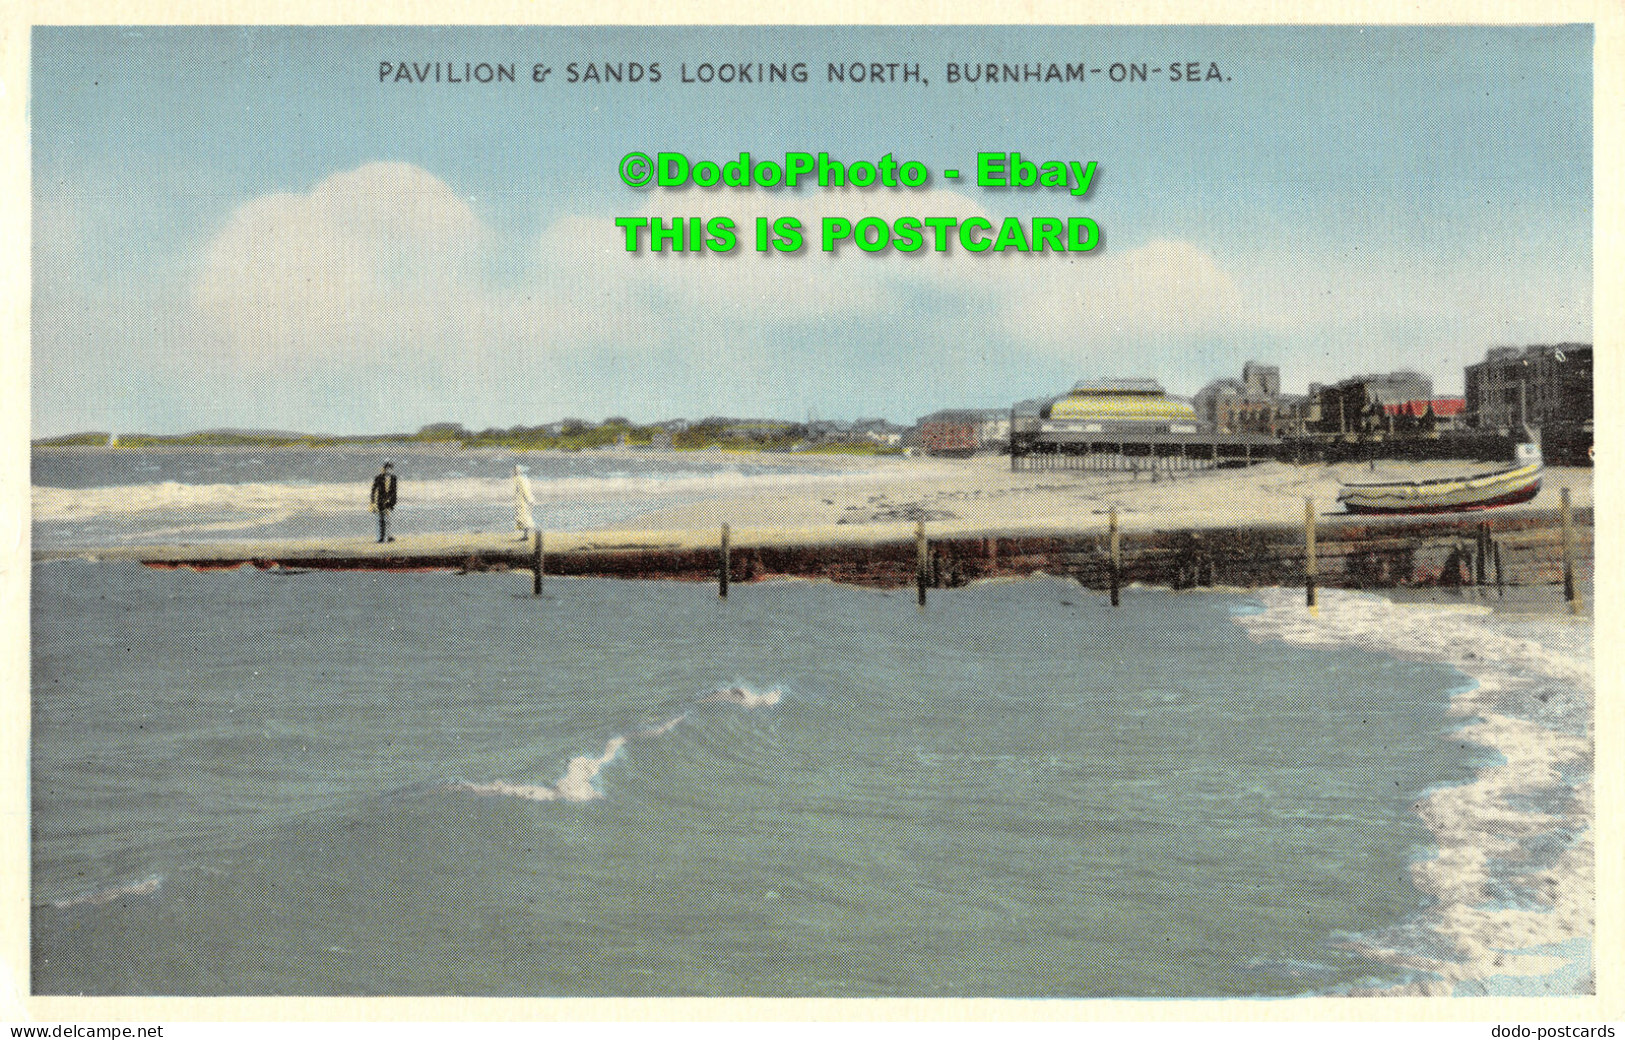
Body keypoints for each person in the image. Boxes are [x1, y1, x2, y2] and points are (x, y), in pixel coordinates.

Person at [369, 462, 398, 542]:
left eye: (389, 469)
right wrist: (373, 501)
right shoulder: (378, 478)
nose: (387, 470)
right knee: (381, 519)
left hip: (389, 501)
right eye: (386, 468)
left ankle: (389, 536)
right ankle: (381, 537)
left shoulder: (393, 478)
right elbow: (373, 490)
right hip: (380, 501)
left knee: (388, 519)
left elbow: (394, 491)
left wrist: (393, 502)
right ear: (384, 469)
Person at [513, 464, 536, 541]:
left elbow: (525, 491)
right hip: (521, 501)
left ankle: (526, 535)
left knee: (524, 518)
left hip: (523, 501)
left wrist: (530, 500)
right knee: (524, 518)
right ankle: (525, 535)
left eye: (516, 470)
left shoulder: (520, 479)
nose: (515, 471)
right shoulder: (520, 479)